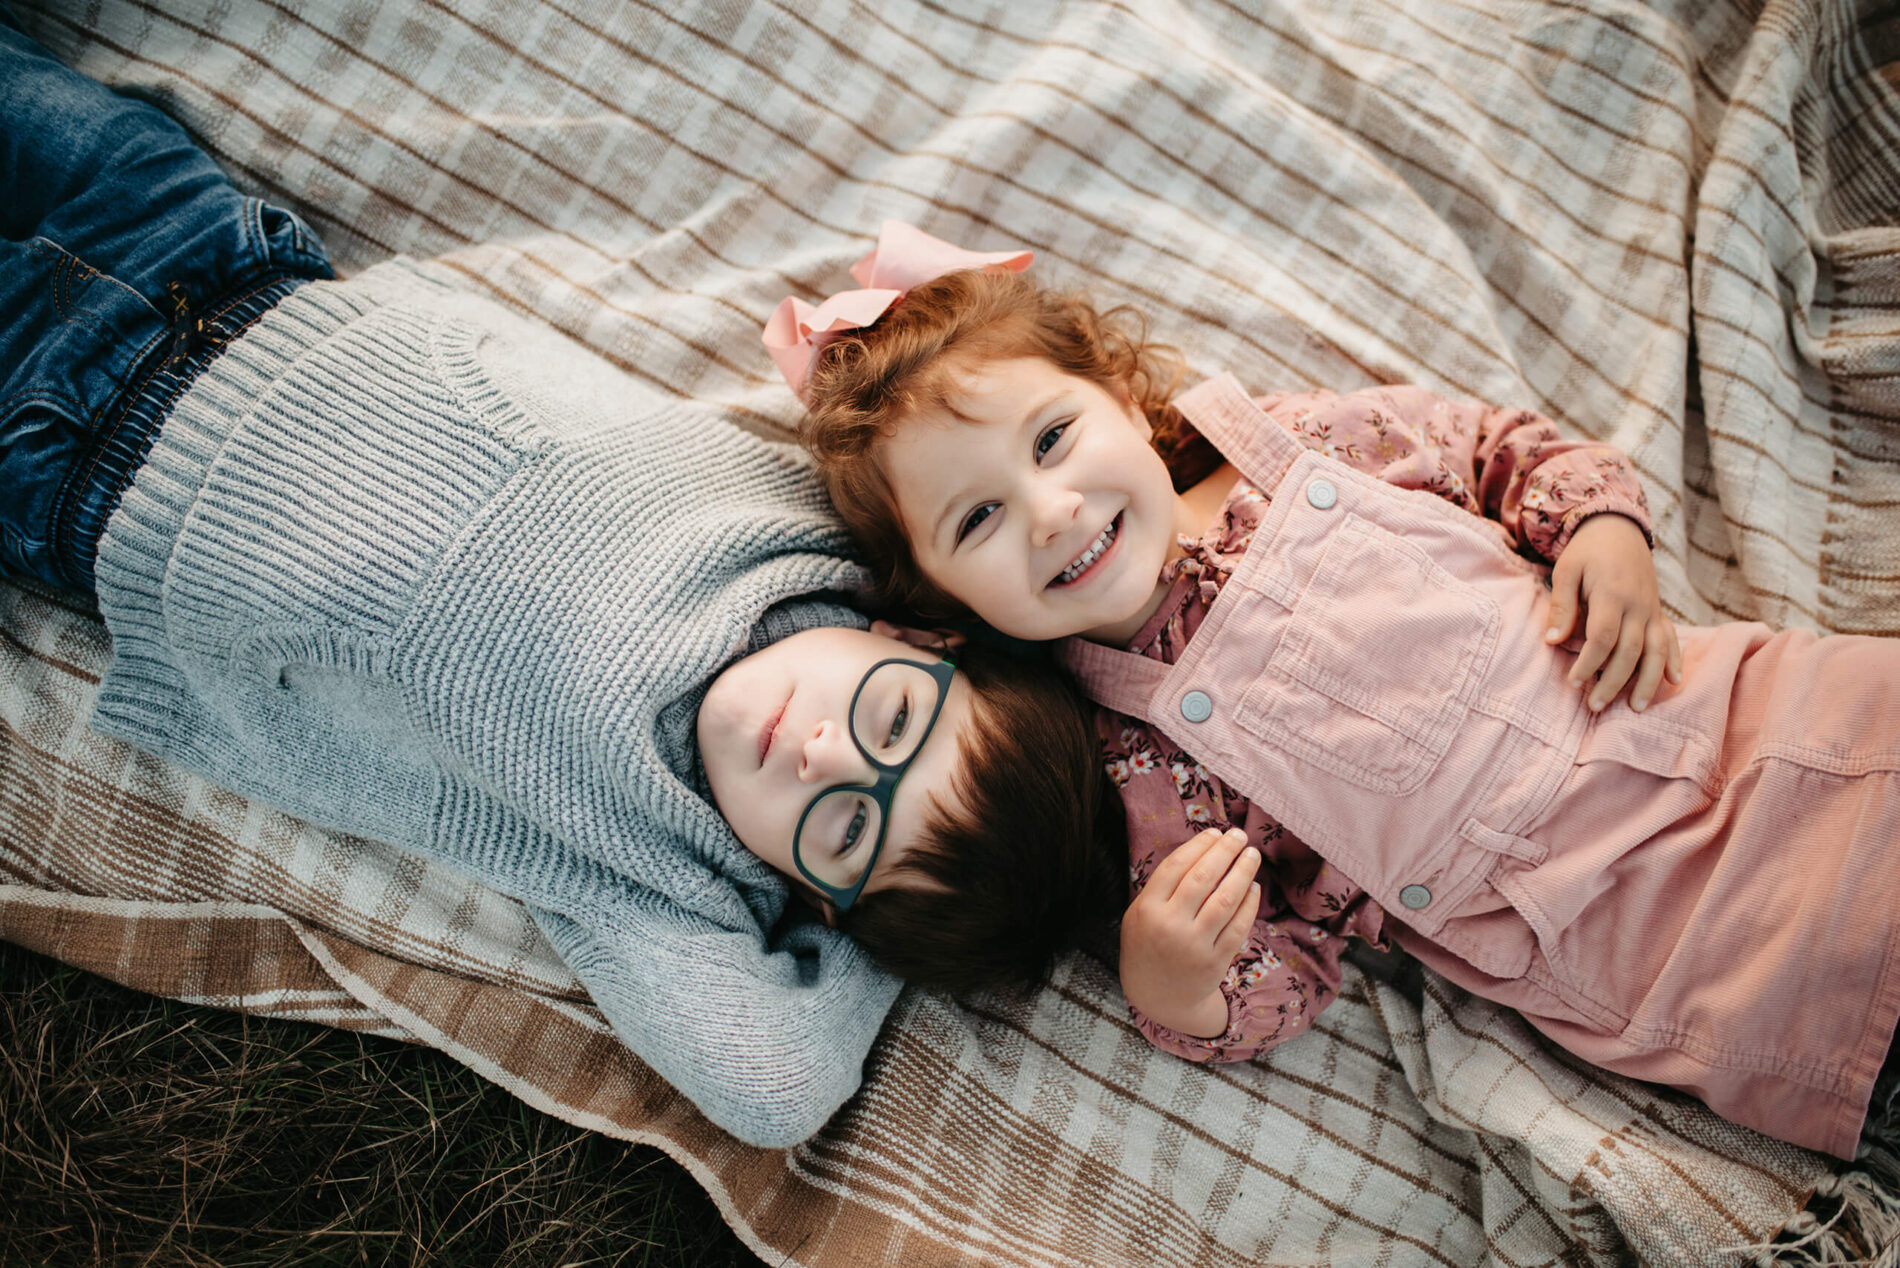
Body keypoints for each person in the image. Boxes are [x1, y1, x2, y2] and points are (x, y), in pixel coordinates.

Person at [0, 22, 1122, 1148]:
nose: (822, 754)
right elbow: (970, 441)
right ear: (923, 639)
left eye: (839, 825)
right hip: (210, 250)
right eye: (888, 721)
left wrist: (884, 930)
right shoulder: (825, 532)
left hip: (67, 461)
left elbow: (776, 1086)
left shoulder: (649, 859)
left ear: (816, 902)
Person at [765, 218, 1900, 1161]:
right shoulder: (1138, 758)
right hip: (1636, 927)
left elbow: (1494, 448)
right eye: (977, 519)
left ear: (1115, 391)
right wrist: (1180, 982)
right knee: (1834, 1003)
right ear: (945, 603)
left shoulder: (1300, 442)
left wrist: (1599, 521)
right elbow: (1288, 962)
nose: (1051, 510)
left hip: (1731, 713)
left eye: (1052, 438)